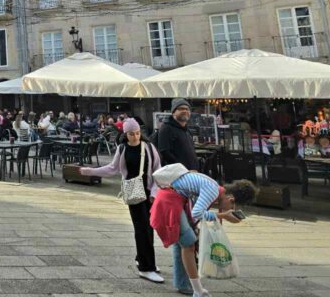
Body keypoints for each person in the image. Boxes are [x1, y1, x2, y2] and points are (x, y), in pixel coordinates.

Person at [151, 165, 257, 297]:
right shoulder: (213, 190)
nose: (230, 209)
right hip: (169, 201)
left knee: (183, 243)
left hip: (170, 199)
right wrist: (223, 216)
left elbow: (194, 209)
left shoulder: (213, 186)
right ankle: (198, 290)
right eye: (233, 207)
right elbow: (197, 213)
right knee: (188, 243)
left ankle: (183, 284)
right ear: (231, 199)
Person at [80, 118, 164, 284]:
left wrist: (155, 192)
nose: (135, 136)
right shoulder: (122, 148)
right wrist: (90, 171)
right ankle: (146, 268)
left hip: (149, 193)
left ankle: (144, 259)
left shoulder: (148, 147)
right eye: (131, 134)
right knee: (141, 228)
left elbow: (157, 170)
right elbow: (112, 168)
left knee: (148, 228)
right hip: (133, 192)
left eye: (137, 133)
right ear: (125, 134)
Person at [157, 99, 199, 171]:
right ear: (173, 112)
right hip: (177, 175)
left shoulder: (187, 131)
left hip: (191, 174)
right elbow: (165, 152)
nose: (185, 111)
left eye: (187, 109)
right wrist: (182, 169)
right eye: (181, 109)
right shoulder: (166, 128)